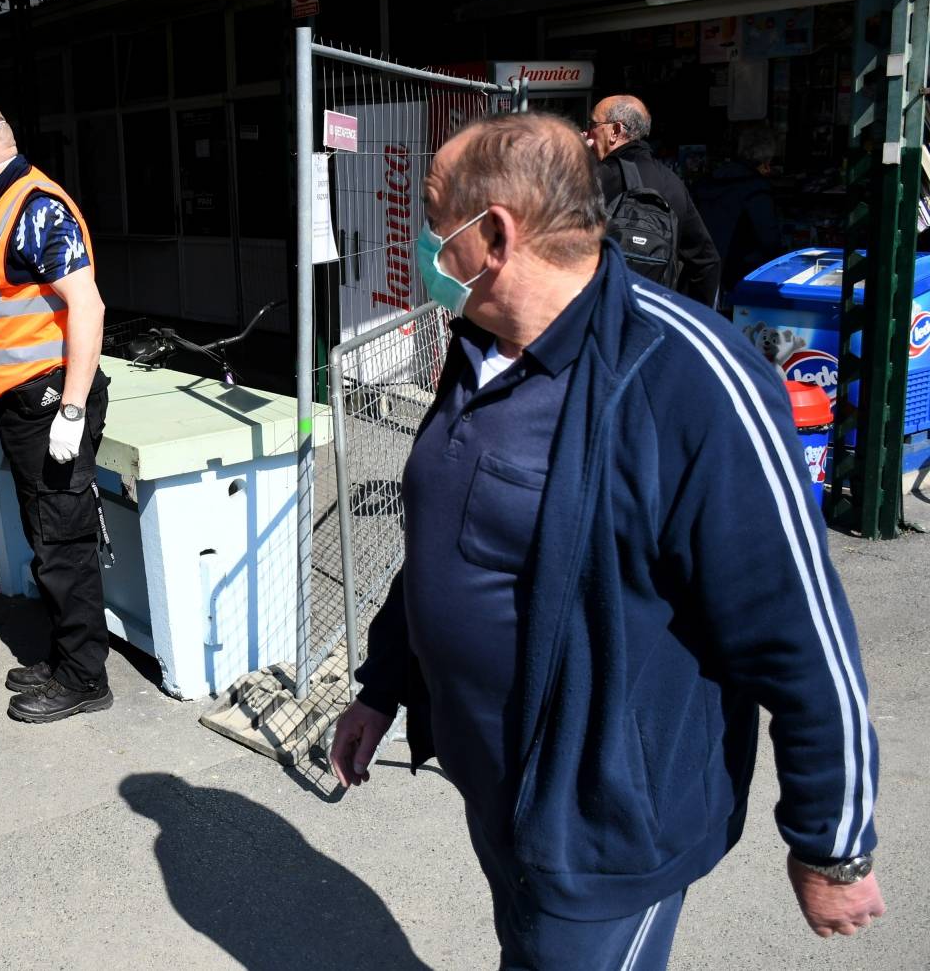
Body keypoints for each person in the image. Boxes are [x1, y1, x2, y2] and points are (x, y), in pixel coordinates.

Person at [330, 112, 885, 969]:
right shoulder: (480, 342)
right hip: (502, 792)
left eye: (438, 221)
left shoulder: (692, 378)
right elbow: (444, 534)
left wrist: (833, 840)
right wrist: (384, 686)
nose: (427, 242)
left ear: (496, 235)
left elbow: (801, 626)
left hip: (606, 828)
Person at [0, 102, 112, 724]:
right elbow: (15, 308)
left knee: (65, 542)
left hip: (50, 402)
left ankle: (86, 679)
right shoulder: (3, 209)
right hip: (24, 402)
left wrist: (73, 409)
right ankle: (65, 659)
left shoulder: (34, 207)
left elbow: (86, 306)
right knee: (45, 536)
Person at [587, 94, 721, 307]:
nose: (588, 133)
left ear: (615, 131)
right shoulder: (673, 183)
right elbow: (706, 261)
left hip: (601, 313)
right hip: (654, 314)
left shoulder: (595, 178)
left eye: (593, 124)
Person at [693, 123, 784, 303]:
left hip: (705, 267)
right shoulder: (755, 189)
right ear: (767, 158)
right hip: (741, 273)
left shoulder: (711, 180)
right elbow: (769, 238)